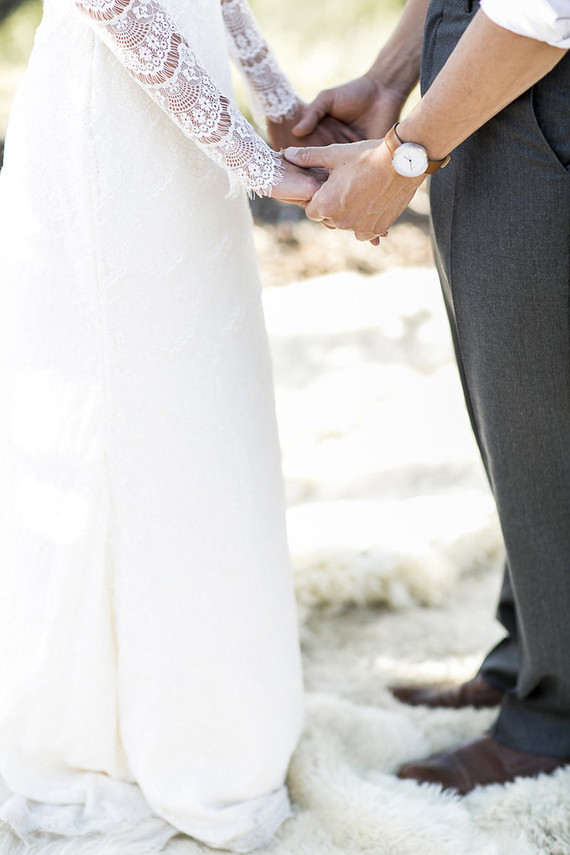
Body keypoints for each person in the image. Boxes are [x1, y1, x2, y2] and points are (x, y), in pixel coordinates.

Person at [0, 0, 358, 850]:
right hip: (114, 118)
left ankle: (214, 714)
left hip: (186, 107)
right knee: (130, 411)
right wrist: (255, 160)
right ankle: (104, 735)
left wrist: (275, 98)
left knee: (203, 401)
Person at [285, 0, 570, 793]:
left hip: (535, 75)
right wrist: (390, 77)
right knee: (520, 393)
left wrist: (404, 156)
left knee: (546, 404)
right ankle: (533, 654)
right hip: (493, 64)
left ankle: (556, 714)